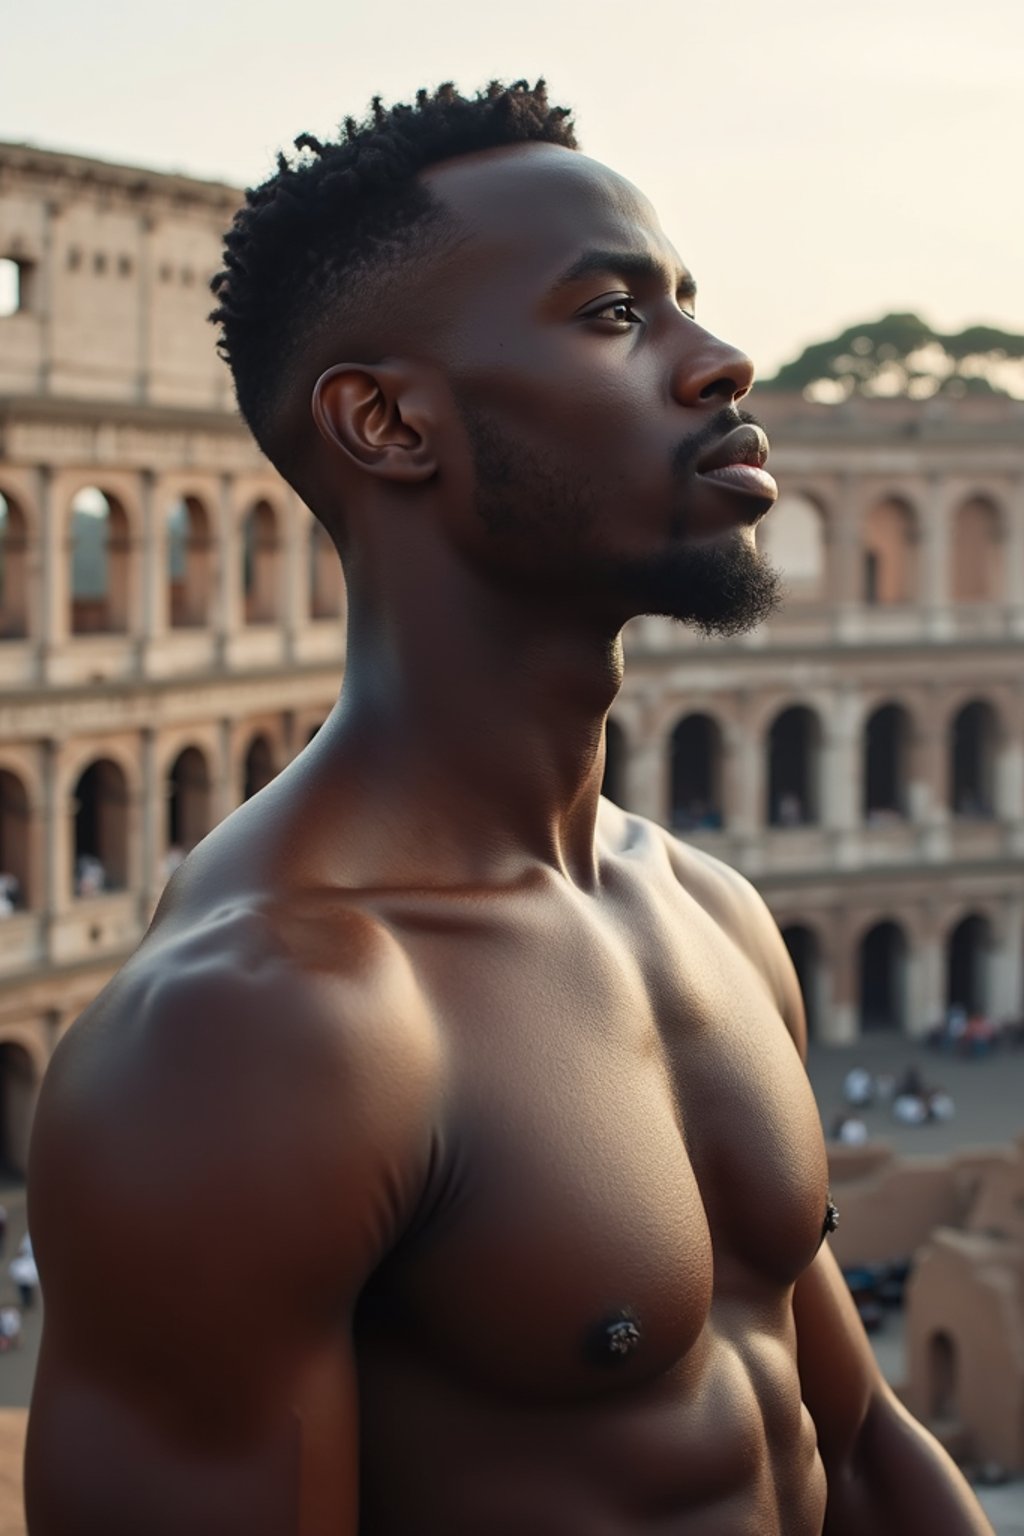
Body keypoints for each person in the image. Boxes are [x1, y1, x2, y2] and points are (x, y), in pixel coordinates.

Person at [25, 80, 993, 1535]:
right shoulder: (254, 1032)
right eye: (615, 316)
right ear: (390, 423)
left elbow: (851, 1452)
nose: (723, 362)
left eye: (688, 303)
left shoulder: (706, 911)